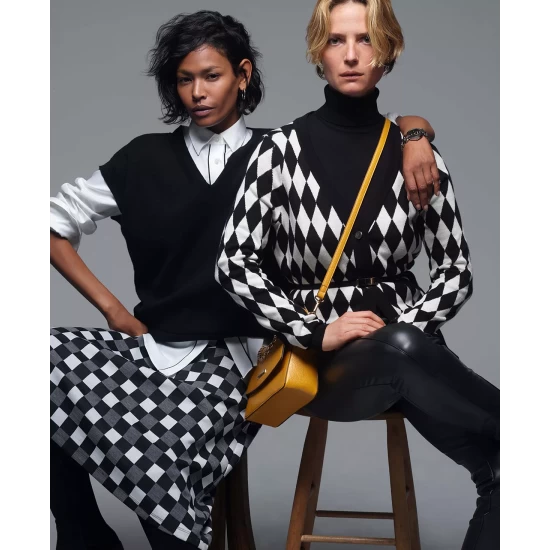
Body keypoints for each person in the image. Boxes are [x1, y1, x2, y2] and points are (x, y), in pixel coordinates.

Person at [50, 8, 439, 550]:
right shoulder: (142, 158)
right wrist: (114, 311)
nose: (197, 93)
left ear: (243, 75)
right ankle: (82, 532)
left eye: (211, 76)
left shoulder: (280, 153)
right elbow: (56, 223)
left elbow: (363, 130)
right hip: (151, 350)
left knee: (164, 460)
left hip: (243, 360)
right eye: (184, 79)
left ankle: (171, 530)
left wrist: (415, 132)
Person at [216, 1, 500, 549]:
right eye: (335, 40)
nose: (350, 55)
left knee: (496, 465)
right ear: (318, 53)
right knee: (400, 345)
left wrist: (407, 326)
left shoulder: (419, 157)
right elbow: (234, 263)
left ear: (387, 51)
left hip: (413, 360)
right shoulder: (279, 153)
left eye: (365, 39)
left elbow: (456, 269)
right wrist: (315, 330)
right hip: (322, 370)